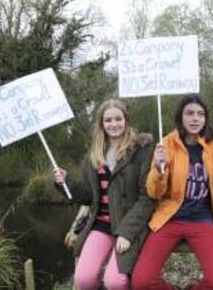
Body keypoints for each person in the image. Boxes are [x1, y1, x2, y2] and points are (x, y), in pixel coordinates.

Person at [132, 94, 213, 290]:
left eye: (200, 114)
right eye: (189, 113)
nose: (195, 118)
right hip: (170, 218)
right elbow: (154, 193)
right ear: (180, 116)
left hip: (203, 220)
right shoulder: (167, 143)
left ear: (206, 118)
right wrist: (159, 168)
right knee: (142, 282)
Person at [54, 99, 155, 290]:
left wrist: (127, 233)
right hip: (100, 224)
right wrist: (64, 183)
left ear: (126, 120)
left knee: (115, 282)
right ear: (101, 123)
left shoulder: (141, 151)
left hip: (128, 225)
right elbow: (87, 196)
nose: (114, 124)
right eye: (108, 120)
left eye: (118, 119)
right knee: (83, 279)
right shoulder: (94, 154)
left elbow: (147, 198)